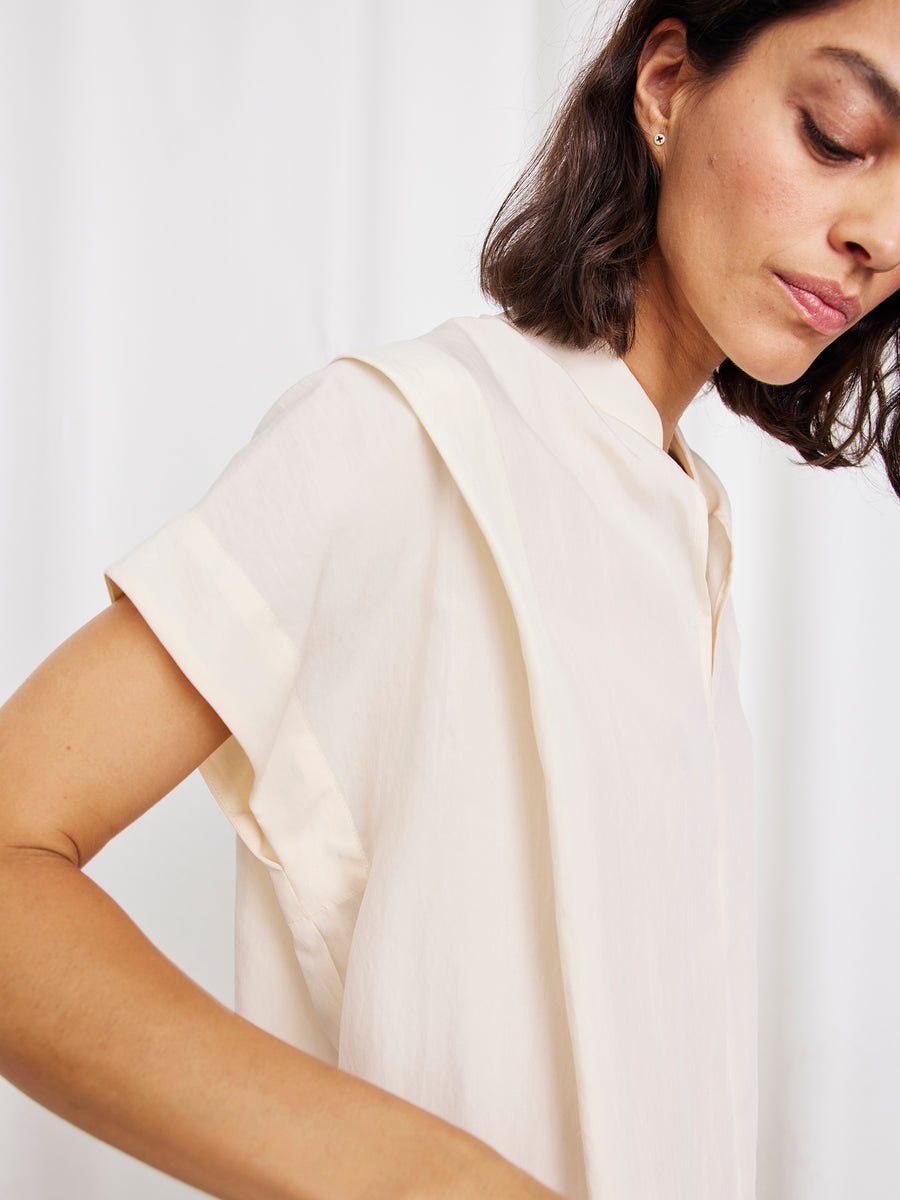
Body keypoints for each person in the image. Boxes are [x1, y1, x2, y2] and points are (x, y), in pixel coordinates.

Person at [2, 0, 900, 1197]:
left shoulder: (688, 522)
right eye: (838, 135)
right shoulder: (414, 430)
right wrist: (432, 1181)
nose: (881, 233)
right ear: (670, 84)